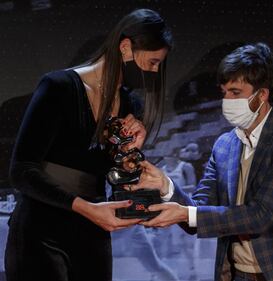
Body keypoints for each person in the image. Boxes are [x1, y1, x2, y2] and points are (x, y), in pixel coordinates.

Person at [128, 43, 273, 281]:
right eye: (224, 92)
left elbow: (262, 214)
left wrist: (185, 214)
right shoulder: (224, 146)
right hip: (239, 274)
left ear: (262, 95)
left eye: (235, 92)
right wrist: (166, 186)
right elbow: (196, 213)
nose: (226, 100)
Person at [5, 8, 172, 281]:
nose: (154, 73)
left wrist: (131, 151)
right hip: (40, 229)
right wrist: (85, 208)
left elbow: (122, 181)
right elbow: (21, 171)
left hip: (92, 233)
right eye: (152, 62)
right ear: (126, 47)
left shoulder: (131, 104)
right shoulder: (58, 86)